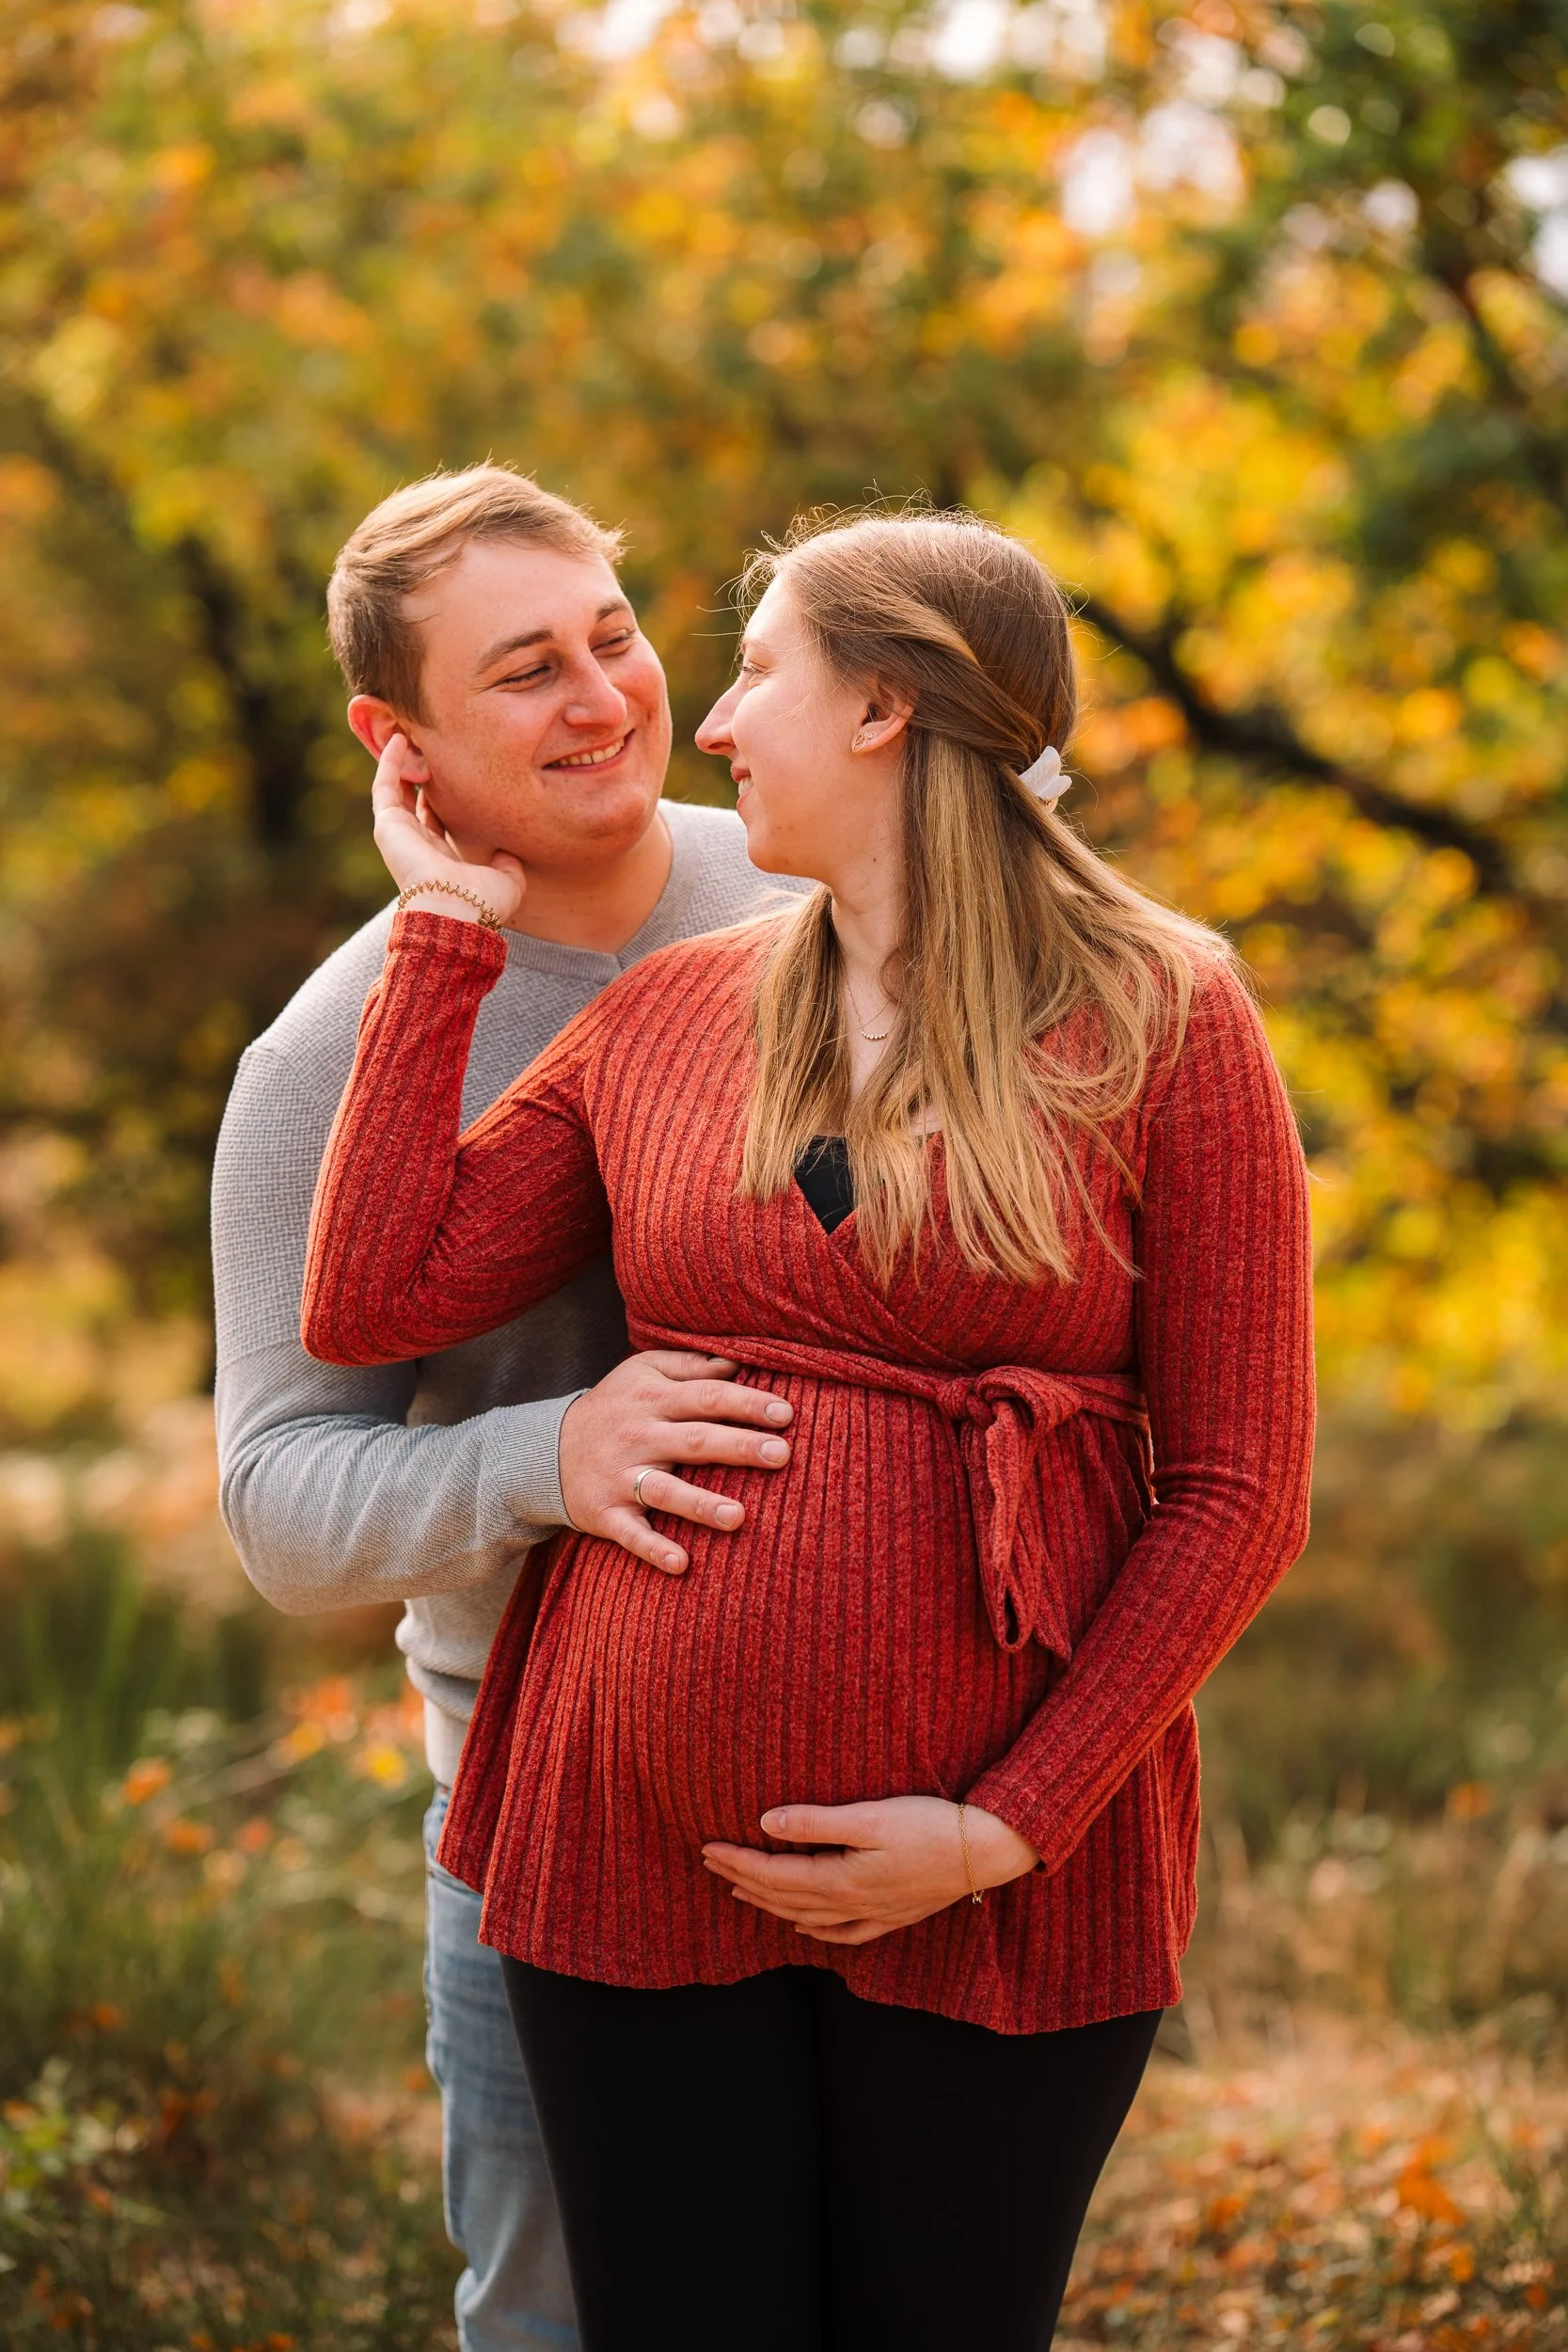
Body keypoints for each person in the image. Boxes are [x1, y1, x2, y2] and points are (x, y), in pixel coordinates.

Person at [300, 509, 1316, 2352]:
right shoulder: (676, 1014)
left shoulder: (1162, 1012)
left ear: (883, 705)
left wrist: (1002, 1825)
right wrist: (443, 932)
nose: (710, 722)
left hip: (992, 1884)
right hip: (622, 1854)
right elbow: (373, 1296)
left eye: (755, 668)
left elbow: (1237, 1493)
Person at [212, 463, 812, 2352]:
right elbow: (276, 1495)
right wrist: (548, 1457)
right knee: (563, 2315)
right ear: (397, 743)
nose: (602, 697)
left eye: (613, 636)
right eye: (524, 671)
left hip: (875, 1768)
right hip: (538, 1805)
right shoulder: (328, 1051)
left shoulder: (809, 879)